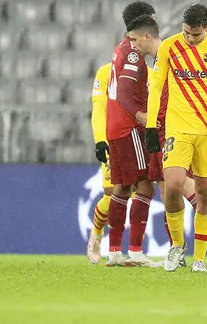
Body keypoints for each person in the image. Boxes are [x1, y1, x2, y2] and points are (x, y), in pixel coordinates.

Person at [127, 14, 207, 269]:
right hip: (175, 129)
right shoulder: (170, 48)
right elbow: (156, 87)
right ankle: (177, 247)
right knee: (171, 185)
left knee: (204, 190)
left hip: (206, 129)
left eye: (195, 34)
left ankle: (204, 253)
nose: (190, 38)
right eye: (186, 32)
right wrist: (151, 126)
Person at [104, 1, 160, 267]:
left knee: (122, 187)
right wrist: (140, 116)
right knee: (146, 185)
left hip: (114, 125)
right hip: (129, 127)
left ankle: (114, 250)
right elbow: (125, 91)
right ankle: (135, 251)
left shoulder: (120, 48)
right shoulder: (134, 53)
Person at [87, 61, 112, 264]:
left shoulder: (148, 73)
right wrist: (100, 139)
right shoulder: (105, 72)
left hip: (140, 139)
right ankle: (96, 234)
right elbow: (99, 108)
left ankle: (134, 249)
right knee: (112, 194)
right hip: (115, 140)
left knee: (143, 191)